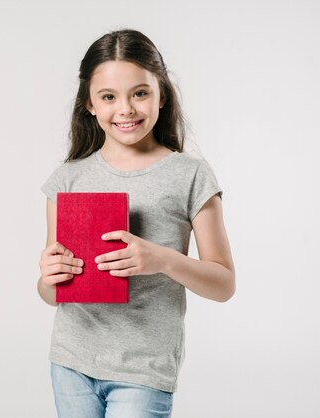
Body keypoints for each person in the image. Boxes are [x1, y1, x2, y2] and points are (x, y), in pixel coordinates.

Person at [37, 29, 235, 418]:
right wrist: (48, 278)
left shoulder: (190, 175)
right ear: (90, 105)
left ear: (162, 93)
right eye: (109, 97)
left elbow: (224, 283)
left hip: (144, 369)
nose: (125, 108)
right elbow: (51, 294)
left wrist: (162, 260)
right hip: (70, 360)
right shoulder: (67, 180)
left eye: (140, 93)